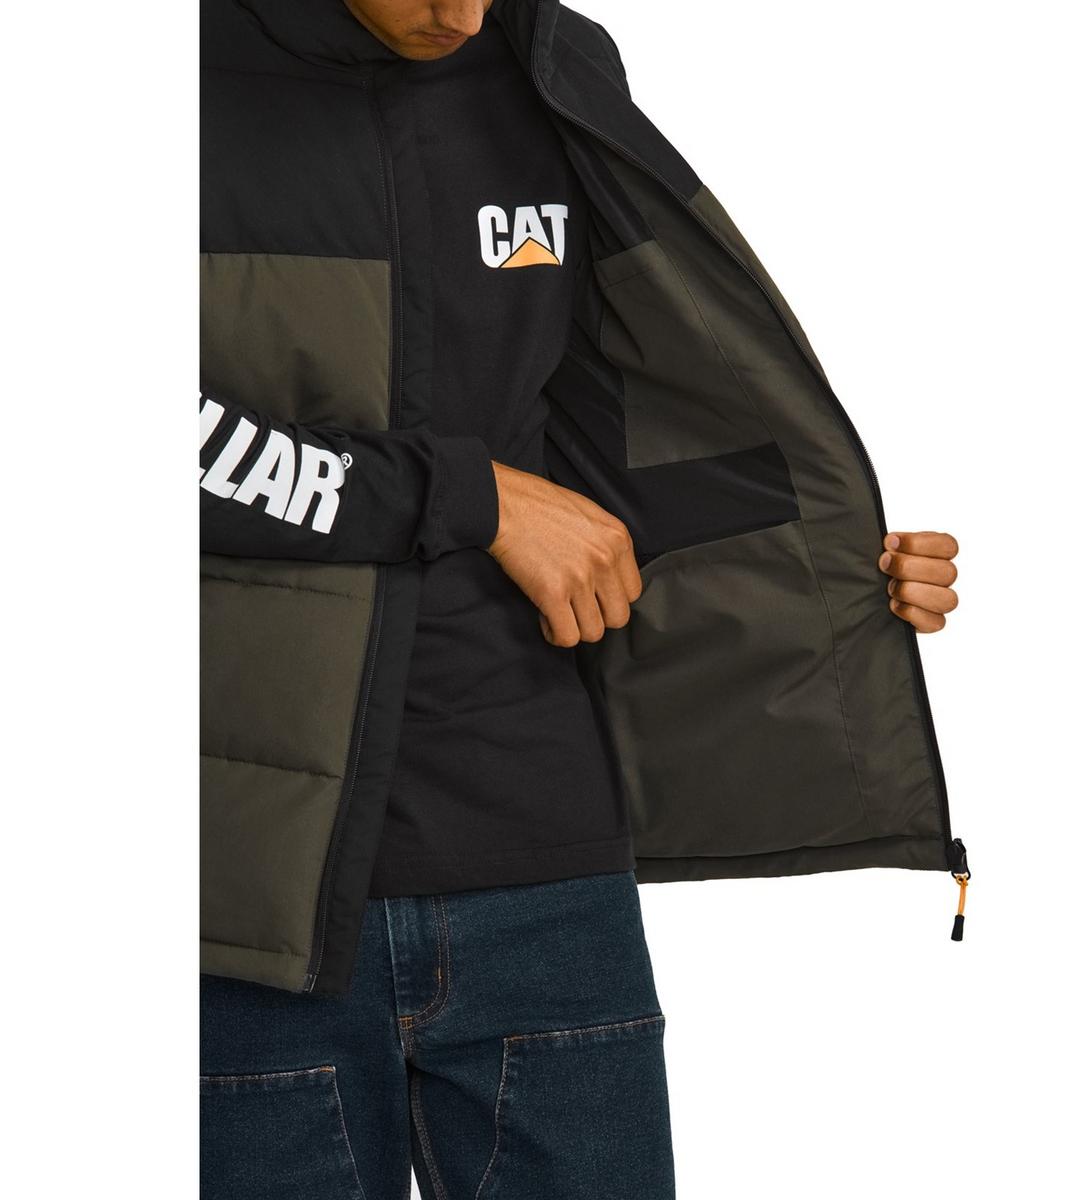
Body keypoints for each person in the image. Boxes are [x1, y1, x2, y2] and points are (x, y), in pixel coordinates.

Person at [199, 2, 964, 1195]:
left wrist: (816, 574)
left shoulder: (547, 60)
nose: (460, 11)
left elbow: (594, 433)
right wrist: (467, 497)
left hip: (540, 857)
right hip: (242, 883)